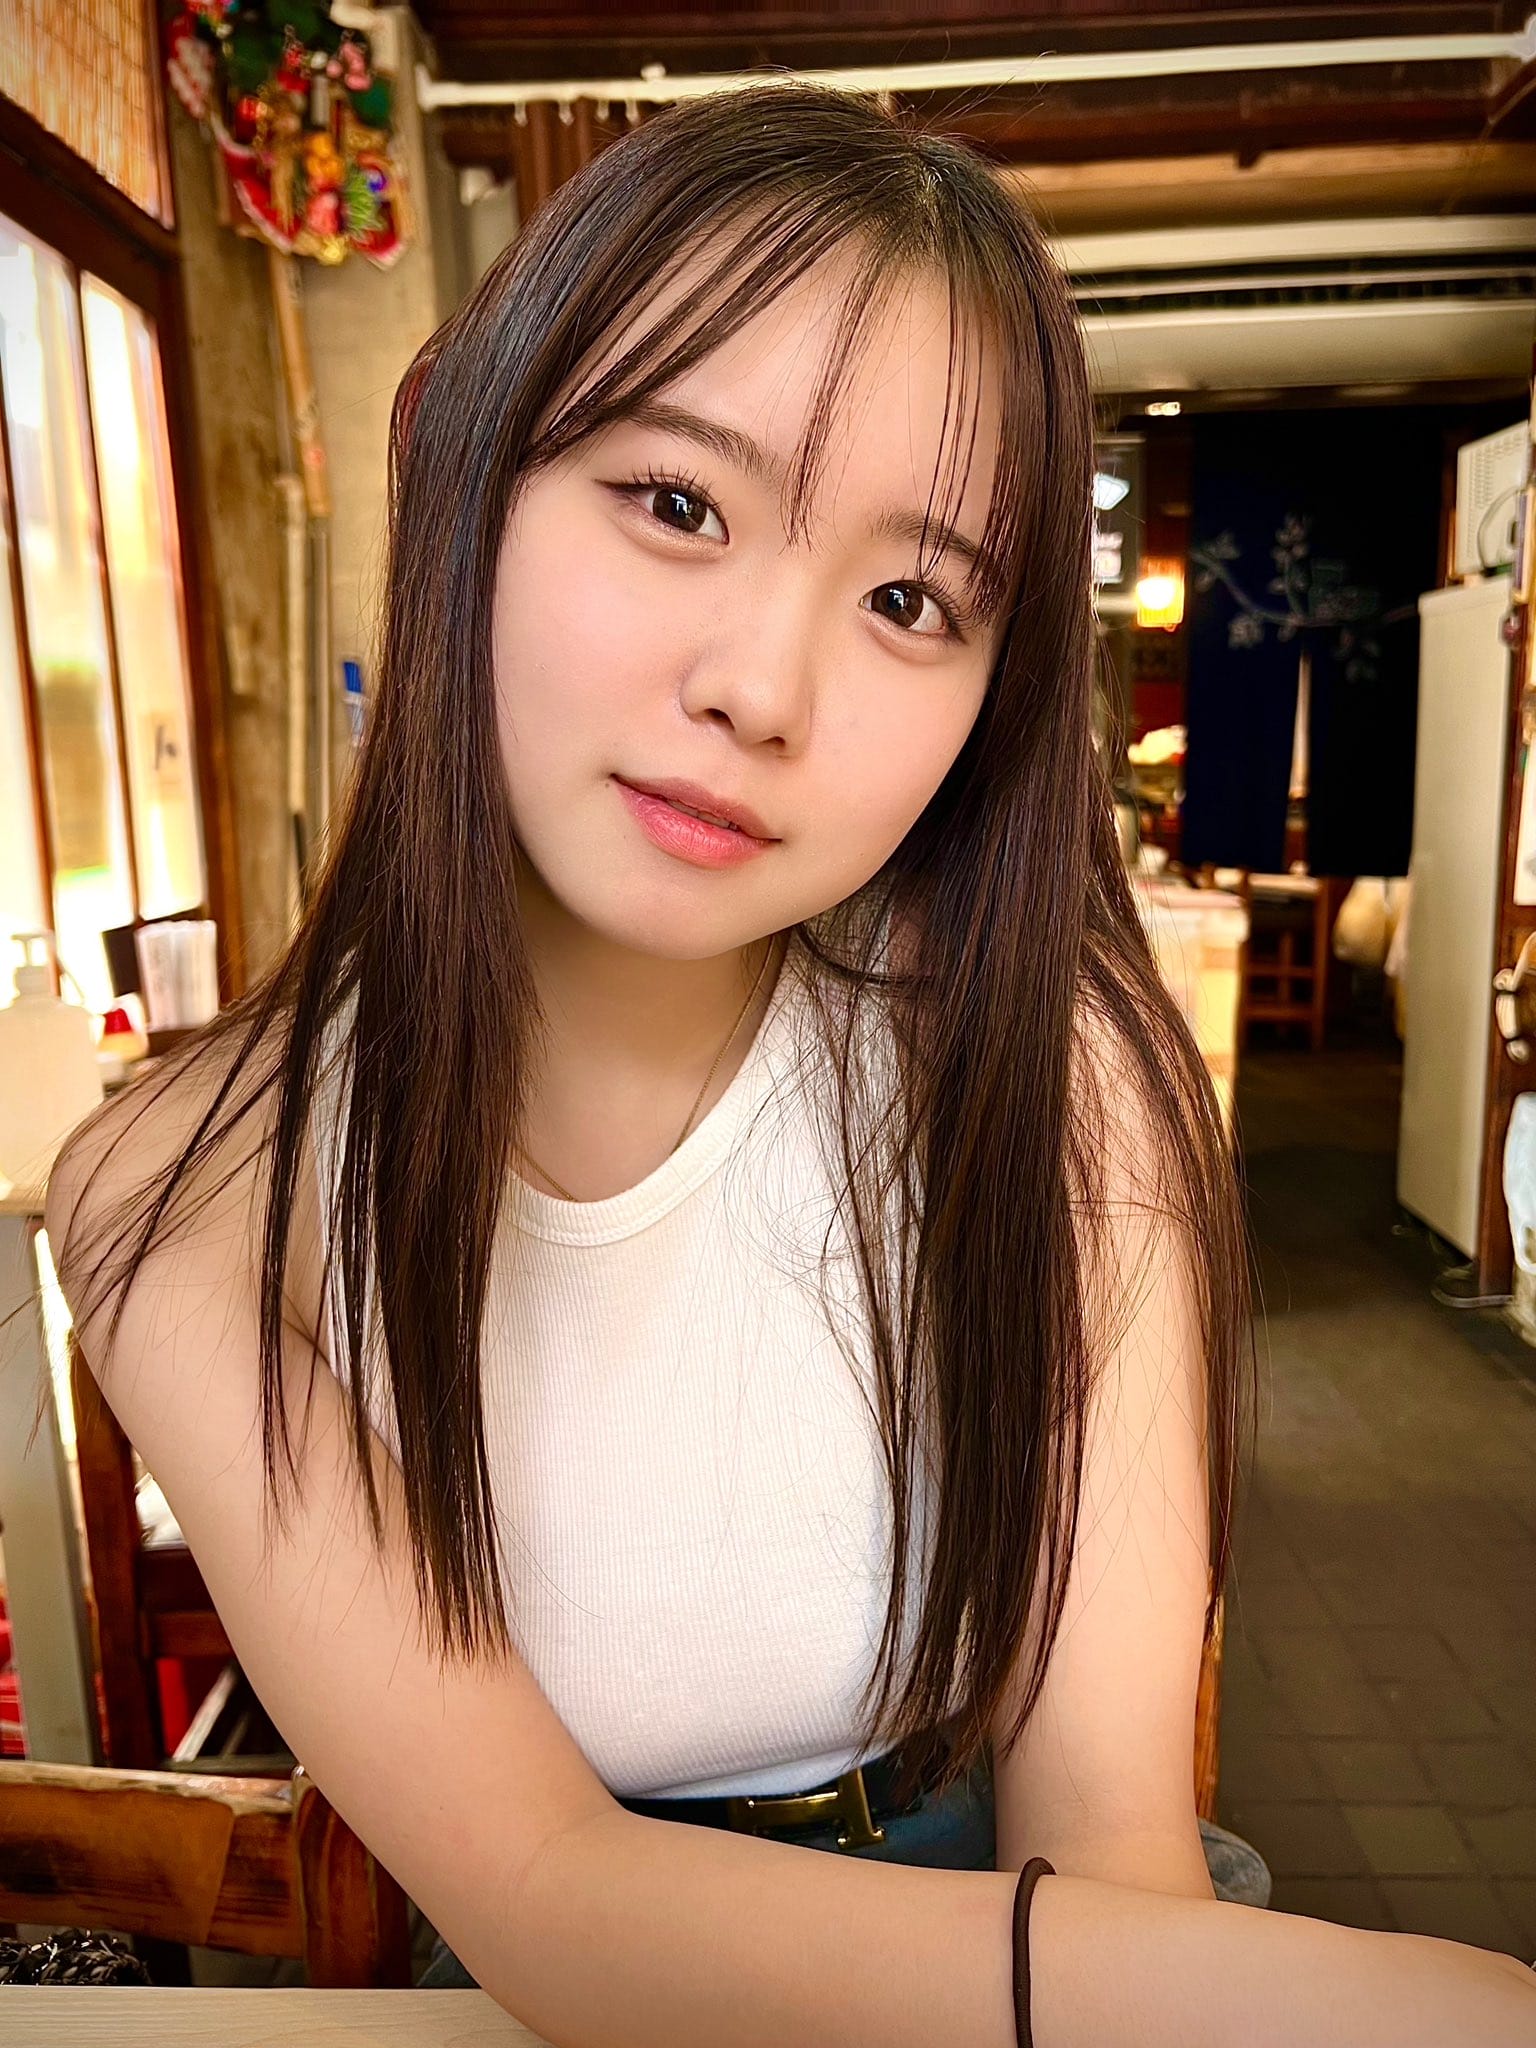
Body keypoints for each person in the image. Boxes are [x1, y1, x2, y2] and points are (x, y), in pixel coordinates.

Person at [47, 82, 1534, 2047]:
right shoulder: (184, 1198)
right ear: (469, 480)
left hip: (1042, 1945)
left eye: (910, 600)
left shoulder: (1054, 1087)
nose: (763, 687)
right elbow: (552, 1899)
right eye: (677, 503)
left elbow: (1106, 1833)